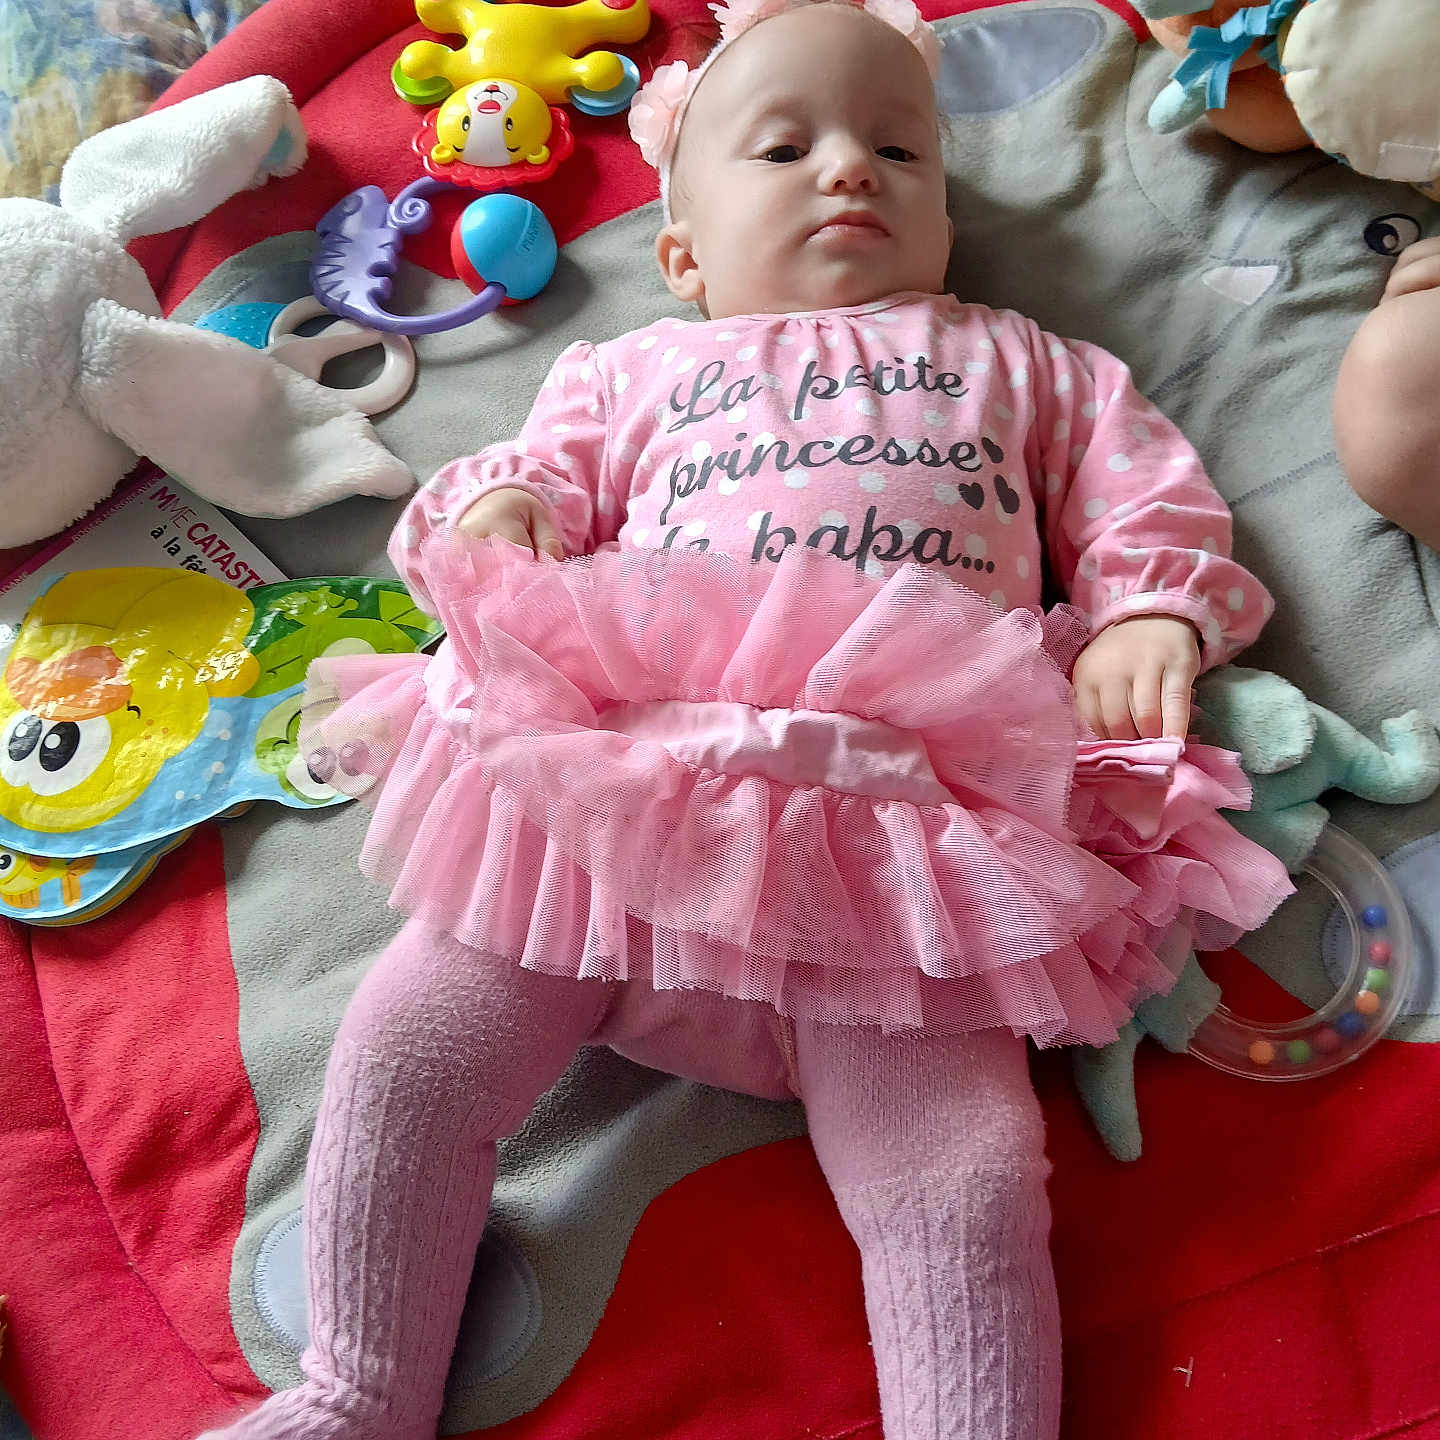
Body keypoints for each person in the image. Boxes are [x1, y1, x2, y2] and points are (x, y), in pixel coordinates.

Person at [202, 3, 1291, 1436]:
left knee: (957, 1177)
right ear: (683, 256)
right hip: (626, 777)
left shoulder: (1026, 363)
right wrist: (508, 511)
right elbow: (512, 484)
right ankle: (354, 1391)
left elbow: (1147, 492)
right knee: (410, 1049)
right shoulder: (631, 371)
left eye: (898, 148)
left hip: (904, 827)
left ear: (949, 217)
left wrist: (1155, 613)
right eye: (787, 147)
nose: (851, 169)